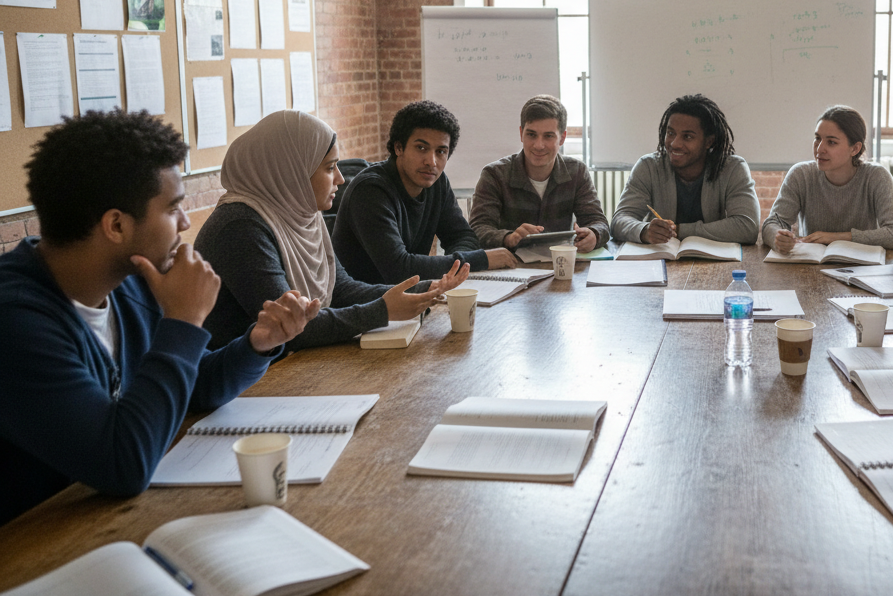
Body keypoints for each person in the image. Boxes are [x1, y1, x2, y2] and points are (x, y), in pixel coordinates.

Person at [0, 110, 316, 525]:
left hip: (103, 520)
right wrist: (183, 321)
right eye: (173, 209)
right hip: (33, 546)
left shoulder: (127, 281)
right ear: (116, 225)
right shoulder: (16, 320)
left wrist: (258, 344)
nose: (186, 223)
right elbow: (123, 466)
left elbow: (193, 386)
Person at [198, 110, 467, 352]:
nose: (340, 178)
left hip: (286, 368)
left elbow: (341, 290)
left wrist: (425, 288)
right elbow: (291, 328)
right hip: (248, 386)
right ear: (292, 170)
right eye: (329, 167)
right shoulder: (241, 227)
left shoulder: (303, 215)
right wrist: (383, 311)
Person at [332, 101, 516, 285]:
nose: (432, 161)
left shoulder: (437, 182)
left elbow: (462, 236)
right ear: (398, 148)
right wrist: (480, 259)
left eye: (441, 151)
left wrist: (456, 267)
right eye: (421, 148)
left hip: (413, 299)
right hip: (365, 306)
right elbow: (400, 269)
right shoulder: (370, 190)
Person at [609, 94, 760, 246]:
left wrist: (679, 230)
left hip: (716, 263)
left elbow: (747, 227)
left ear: (709, 141)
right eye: (670, 133)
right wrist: (644, 230)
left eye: (687, 136)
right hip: (661, 261)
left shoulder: (732, 168)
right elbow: (619, 220)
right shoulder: (648, 167)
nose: (674, 144)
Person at [470, 95, 609, 252]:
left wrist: (594, 235)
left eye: (548, 136)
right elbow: (477, 230)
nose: (539, 145)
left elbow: (598, 222)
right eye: (531, 135)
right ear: (521, 133)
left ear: (562, 138)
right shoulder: (494, 174)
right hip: (511, 266)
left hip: (560, 264)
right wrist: (509, 237)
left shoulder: (577, 171)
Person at [761, 105, 893, 251]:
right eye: (817, 139)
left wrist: (837, 238)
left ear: (855, 149)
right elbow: (772, 223)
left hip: (861, 268)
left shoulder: (876, 177)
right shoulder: (801, 174)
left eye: (831, 142)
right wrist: (778, 237)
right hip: (810, 266)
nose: (819, 149)